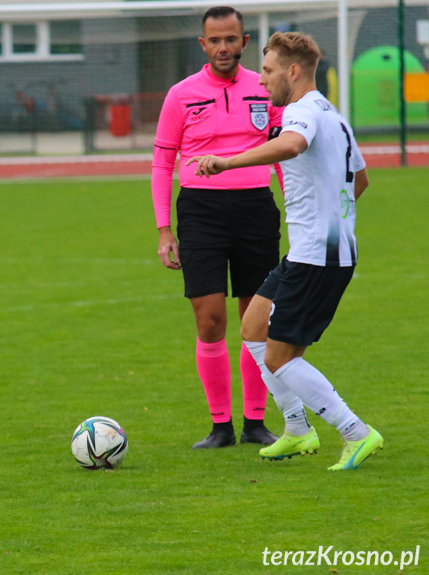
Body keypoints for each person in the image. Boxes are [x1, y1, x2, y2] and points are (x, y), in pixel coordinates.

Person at [188, 31, 383, 470]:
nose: (261, 79)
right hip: (314, 251)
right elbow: (361, 180)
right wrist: (334, 217)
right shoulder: (334, 114)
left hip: (318, 256)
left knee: (280, 356)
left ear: (293, 71)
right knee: (254, 327)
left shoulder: (300, 113)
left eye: (269, 69)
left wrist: (227, 161)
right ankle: (296, 429)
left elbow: (292, 144)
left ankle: (355, 432)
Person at [151, 6, 282, 449]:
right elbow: (162, 162)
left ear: (245, 43)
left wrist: (295, 211)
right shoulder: (180, 94)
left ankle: (255, 423)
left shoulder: (265, 89)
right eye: (215, 40)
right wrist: (164, 230)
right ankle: (220, 426)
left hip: (255, 209)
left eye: (232, 39)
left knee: (255, 321)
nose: (224, 47)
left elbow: (283, 152)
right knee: (210, 320)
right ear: (202, 44)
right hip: (201, 212)